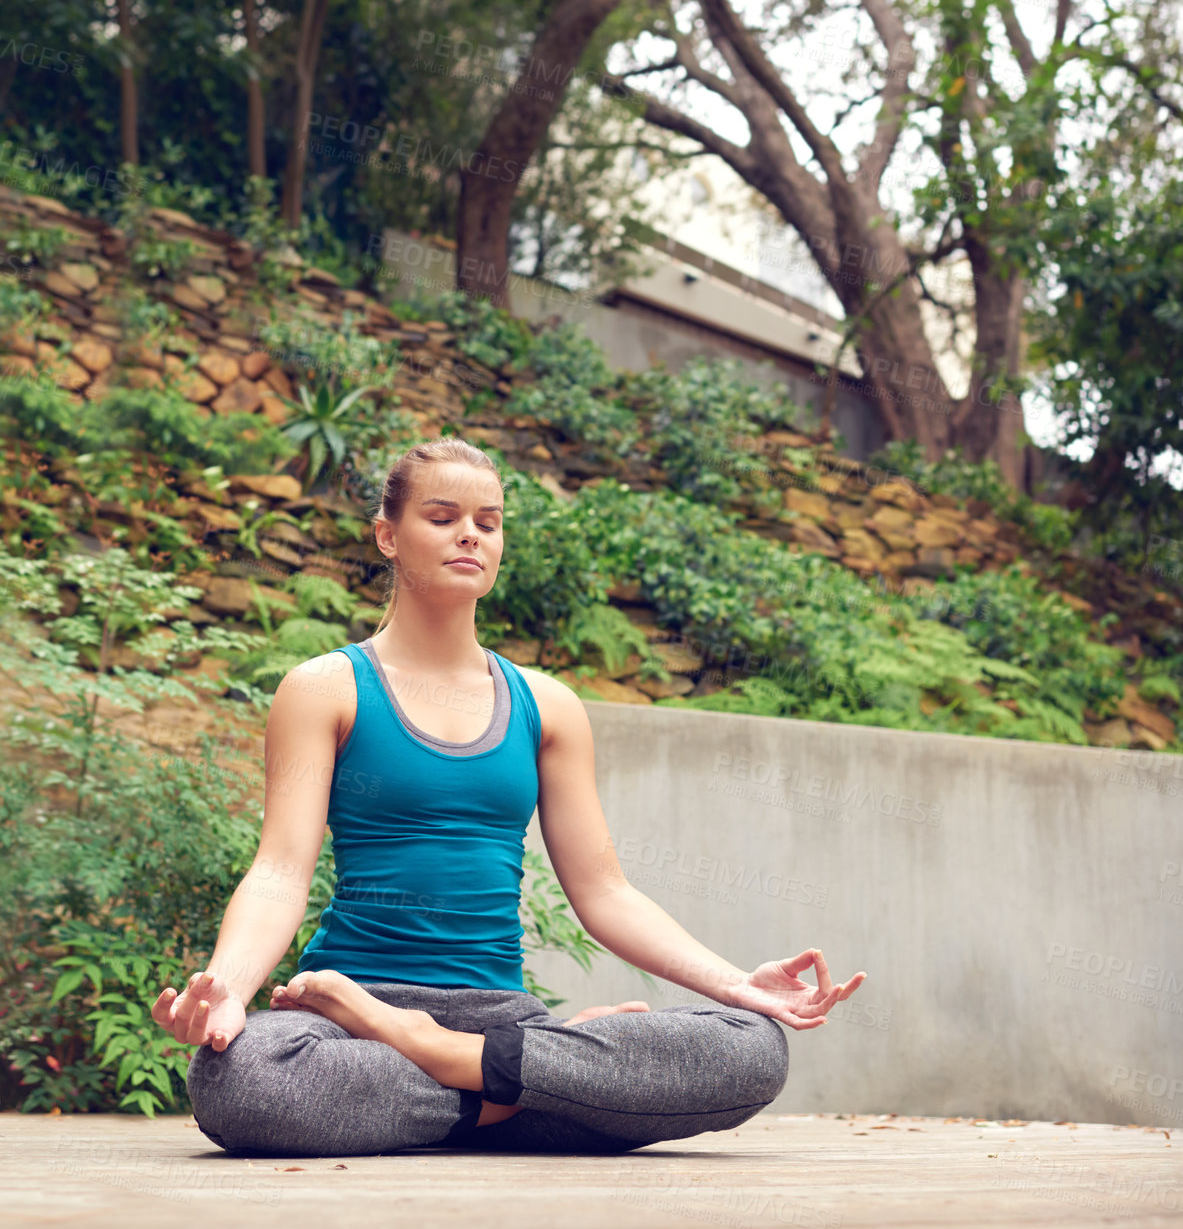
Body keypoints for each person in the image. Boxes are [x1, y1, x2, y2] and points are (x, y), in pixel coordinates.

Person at [157, 437, 866, 1157]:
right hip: (349, 1008)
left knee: (750, 1049)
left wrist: (737, 984)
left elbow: (605, 893)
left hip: (498, 1017)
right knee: (241, 1079)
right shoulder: (325, 689)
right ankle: (524, 1090)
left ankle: (449, 1058)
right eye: (441, 516)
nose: (470, 533)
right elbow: (280, 870)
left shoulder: (545, 705)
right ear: (386, 536)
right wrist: (229, 990)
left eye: (488, 522)